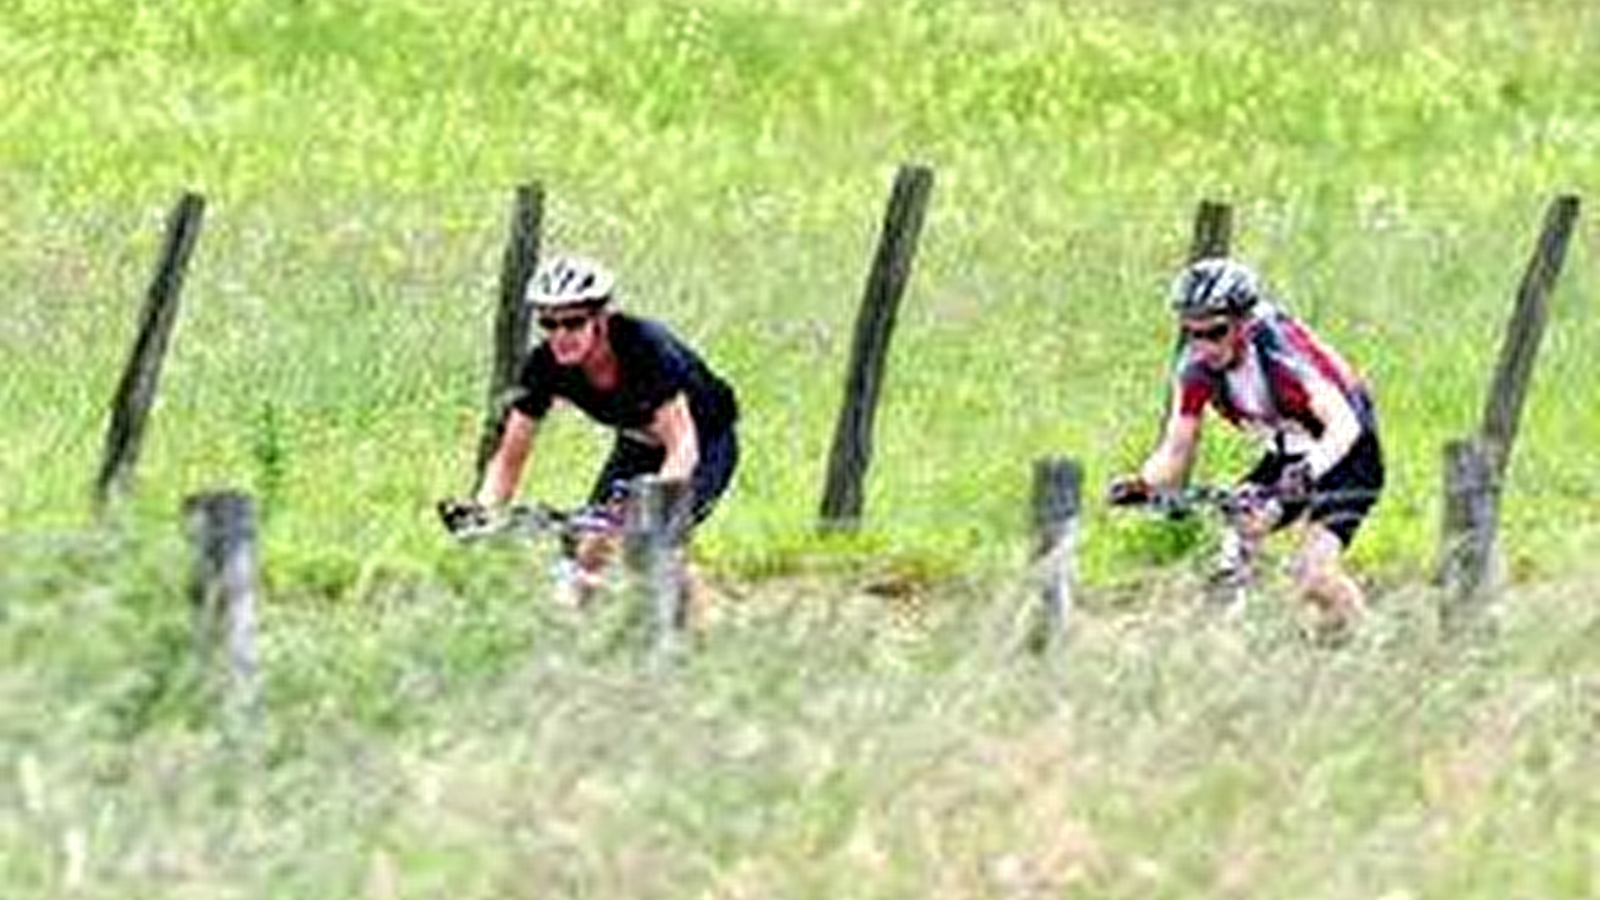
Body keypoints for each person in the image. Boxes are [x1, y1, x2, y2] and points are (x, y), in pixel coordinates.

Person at [1108, 257, 1384, 641]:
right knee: (1241, 526)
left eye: (1215, 331)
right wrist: (1143, 483)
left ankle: (1369, 643)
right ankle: (1243, 639)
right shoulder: (1196, 369)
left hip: (1345, 451)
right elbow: (1175, 450)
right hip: (1287, 451)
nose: (1203, 345)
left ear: (1245, 323)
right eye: (1192, 333)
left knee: (1314, 573)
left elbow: (1344, 425)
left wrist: (1308, 470)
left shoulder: (1281, 357)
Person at [454, 254, 739, 604]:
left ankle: (695, 626)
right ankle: (578, 641)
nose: (560, 335)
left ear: (600, 319)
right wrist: (482, 517)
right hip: (637, 443)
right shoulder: (544, 366)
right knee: (587, 551)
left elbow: (682, 446)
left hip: (704, 442)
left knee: (646, 546)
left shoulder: (644, 348)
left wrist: (643, 510)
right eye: (549, 324)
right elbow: (509, 459)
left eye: (573, 323)